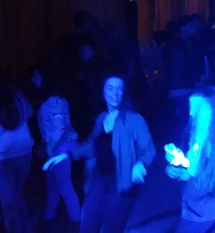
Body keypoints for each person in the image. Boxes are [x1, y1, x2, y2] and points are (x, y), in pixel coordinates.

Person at [43, 74, 155, 233]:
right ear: (103, 92)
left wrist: (140, 164)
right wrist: (66, 154)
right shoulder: (101, 118)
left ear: (124, 93)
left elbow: (149, 149)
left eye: (120, 89)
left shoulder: (134, 120)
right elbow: (91, 145)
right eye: (110, 88)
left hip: (121, 183)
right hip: (99, 181)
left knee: (112, 228)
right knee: (87, 226)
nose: (115, 93)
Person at [165, 85, 215, 232]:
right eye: (191, 108)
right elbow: (192, 166)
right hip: (189, 212)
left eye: (198, 109)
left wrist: (186, 175)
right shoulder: (192, 134)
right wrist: (176, 166)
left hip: (208, 220)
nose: (192, 113)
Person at [38, 96, 81, 226]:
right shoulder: (61, 101)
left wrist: (50, 149)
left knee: (65, 187)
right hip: (61, 145)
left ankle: (76, 221)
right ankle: (49, 217)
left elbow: (60, 129)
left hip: (59, 147)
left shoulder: (52, 103)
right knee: (53, 185)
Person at [0, 81, 34, 233]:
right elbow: (30, 112)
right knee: (15, 196)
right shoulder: (16, 93)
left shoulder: (16, 94)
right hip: (20, 152)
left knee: (11, 199)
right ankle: (25, 228)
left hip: (8, 156)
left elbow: (29, 111)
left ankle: (21, 228)